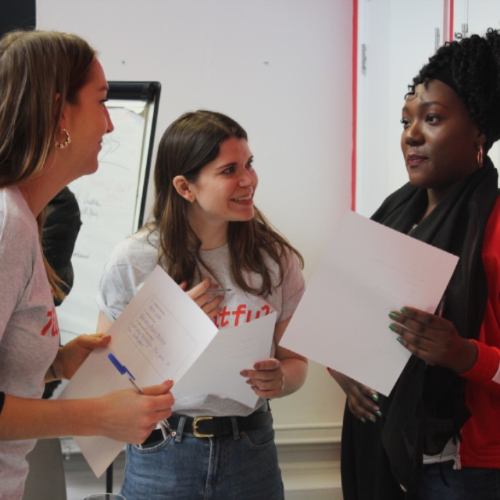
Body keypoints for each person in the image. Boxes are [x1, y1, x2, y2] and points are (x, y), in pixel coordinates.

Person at [96, 110, 308, 499]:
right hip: (161, 452)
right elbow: (104, 376)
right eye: (229, 170)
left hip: (252, 450)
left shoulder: (276, 259)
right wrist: (174, 326)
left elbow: (296, 365)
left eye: (249, 164)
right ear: (184, 187)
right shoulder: (134, 259)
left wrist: (280, 379)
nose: (248, 180)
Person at [0, 30, 174, 499]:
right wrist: (96, 415)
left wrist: (56, 363)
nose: (111, 126)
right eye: (100, 103)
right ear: (60, 113)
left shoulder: (24, 216)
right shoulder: (6, 223)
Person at [330, 28, 500, 500]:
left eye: (432, 118)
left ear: (479, 132)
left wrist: (462, 354)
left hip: (469, 471)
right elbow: (347, 321)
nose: (411, 134)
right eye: (406, 120)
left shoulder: (496, 229)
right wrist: (342, 366)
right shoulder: (390, 213)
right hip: (388, 453)